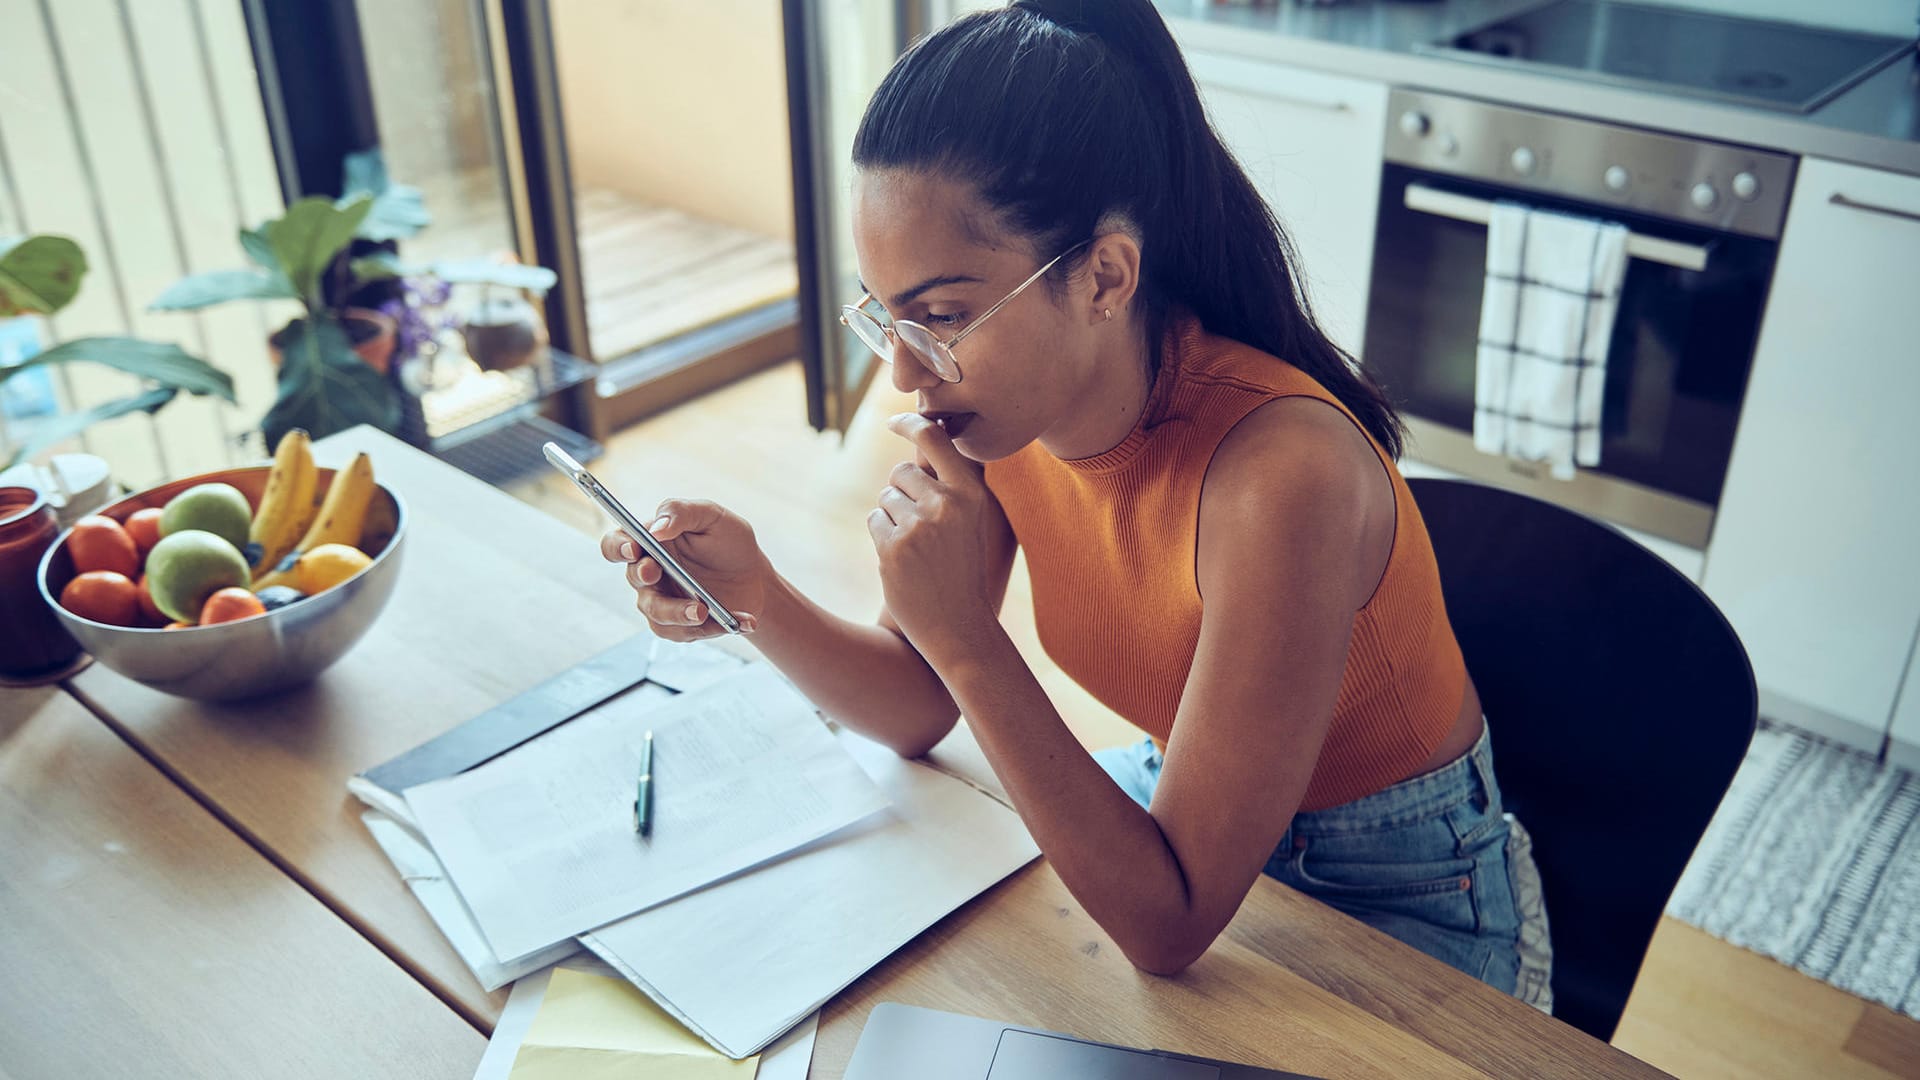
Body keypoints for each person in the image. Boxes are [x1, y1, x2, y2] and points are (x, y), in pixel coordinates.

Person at [600, 0, 1549, 1000]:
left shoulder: (1281, 478)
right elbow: (919, 705)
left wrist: (966, 634)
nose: (908, 380)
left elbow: (1168, 922)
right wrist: (755, 594)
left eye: (945, 317)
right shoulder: (999, 412)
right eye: (888, 318)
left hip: (1396, 885)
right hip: (1179, 820)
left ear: (1104, 276)